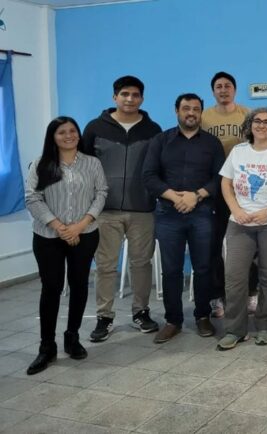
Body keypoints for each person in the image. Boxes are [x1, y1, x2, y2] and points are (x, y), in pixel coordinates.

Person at [25, 117, 108, 375]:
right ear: (53, 136)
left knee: (79, 284)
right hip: (48, 237)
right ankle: (47, 346)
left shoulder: (92, 163)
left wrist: (79, 226)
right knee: (51, 288)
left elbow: (101, 193)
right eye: (62, 132)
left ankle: (72, 338)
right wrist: (61, 227)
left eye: (73, 131)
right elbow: (33, 198)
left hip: (85, 234)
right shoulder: (40, 164)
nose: (69, 135)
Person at [82, 75, 162, 342]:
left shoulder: (153, 130)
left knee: (141, 263)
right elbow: (83, 167)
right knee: (105, 265)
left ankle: (141, 312)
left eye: (135, 95)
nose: (130, 99)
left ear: (142, 98)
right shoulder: (95, 128)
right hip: (104, 210)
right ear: (115, 97)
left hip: (143, 209)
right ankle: (104, 316)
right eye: (125, 94)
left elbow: (158, 168)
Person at [142, 93, 225, 344]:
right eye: (186, 108)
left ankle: (202, 316)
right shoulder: (160, 140)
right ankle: (173, 320)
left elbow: (220, 177)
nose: (191, 113)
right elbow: (148, 176)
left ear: (201, 113)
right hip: (168, 214)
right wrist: (174, 198)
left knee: (203, 267)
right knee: (171, 270)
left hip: (202, 213)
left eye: (196, 109)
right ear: (176, 111)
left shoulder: (212, 143)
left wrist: (197, 195)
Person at [216, 108, 267, 350]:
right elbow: (226, 183)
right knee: (234, 277)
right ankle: (234, 330)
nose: (261, 125)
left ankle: (265, 326)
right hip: (239, 223)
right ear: (249, 125)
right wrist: (235, 210)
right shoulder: (238, 152)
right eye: (257, 121)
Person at [201, 71, 251, 319]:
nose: (223, 90)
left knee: (249, 240)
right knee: (214, 244)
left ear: (235, 89)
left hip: (243, 187)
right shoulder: (203, 117)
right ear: (213, 91)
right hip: (214, 186)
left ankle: (251, 293)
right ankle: (216, 297)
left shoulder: (246, 115)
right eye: (218, 86)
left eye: (228, 86)